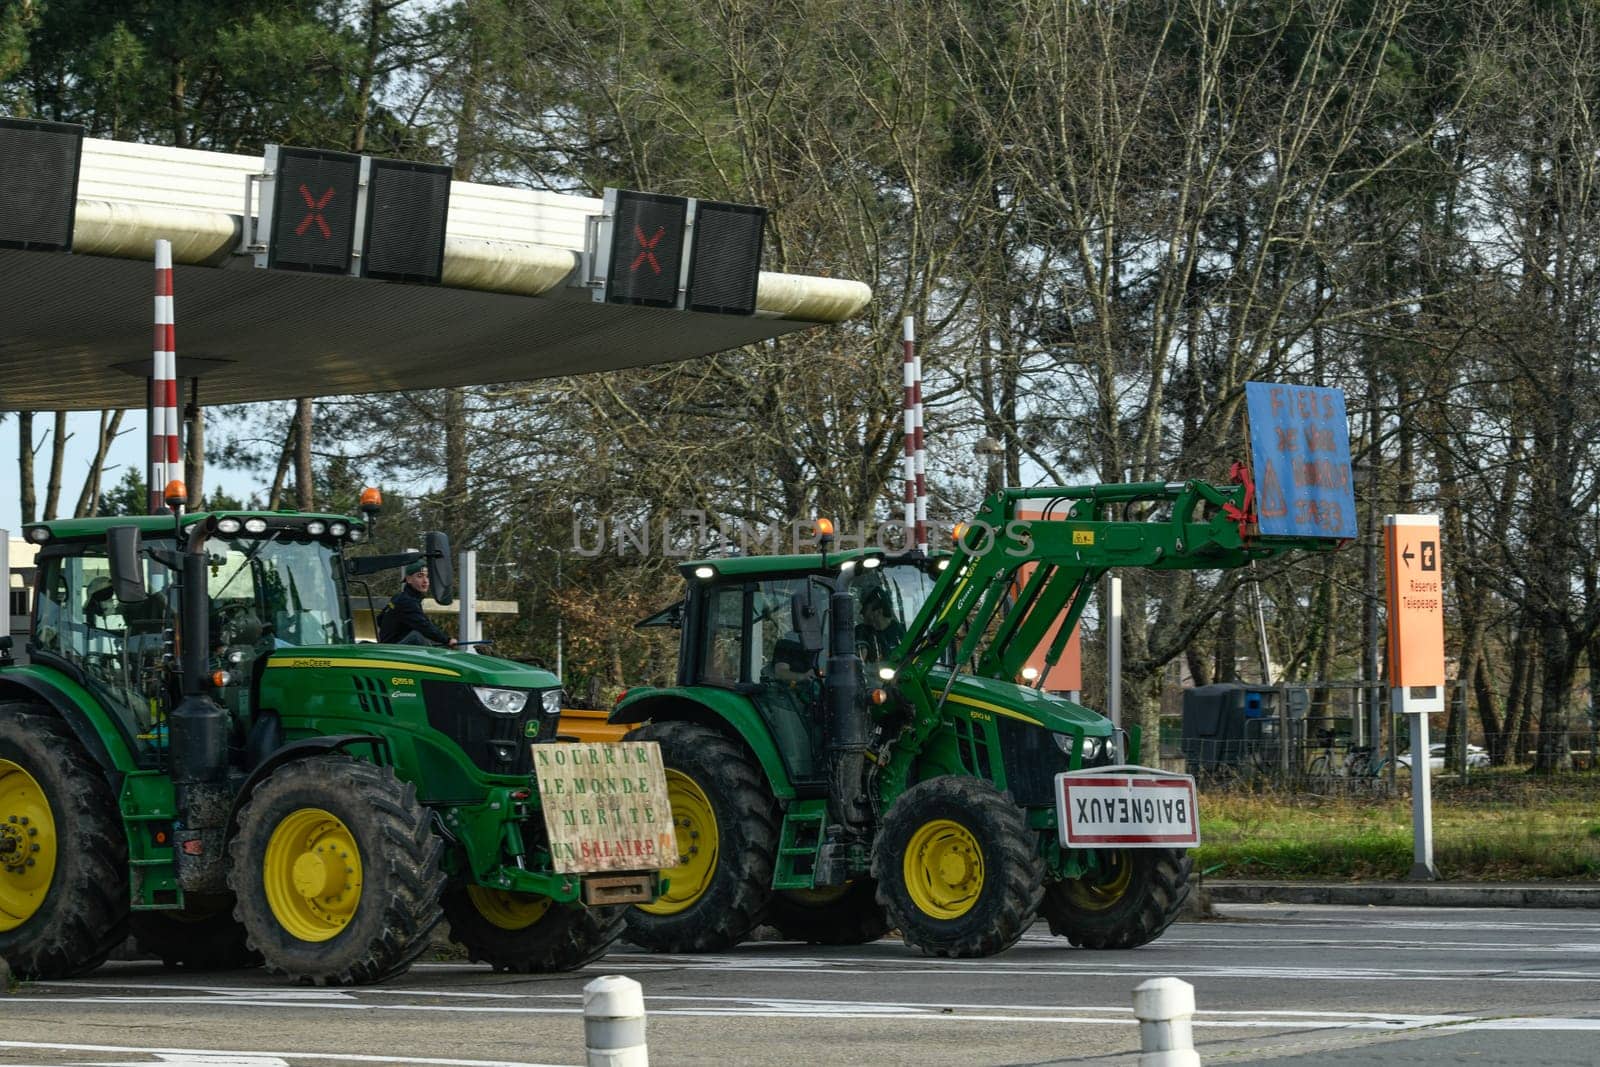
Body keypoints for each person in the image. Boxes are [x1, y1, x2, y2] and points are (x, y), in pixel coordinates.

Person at [377, 560, 457, 647]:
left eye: (427, 576)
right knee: (417, 636)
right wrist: (447, 640)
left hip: (388, 647)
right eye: (420, 576)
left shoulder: (399, 597)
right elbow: (424, 626)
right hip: (394, 651)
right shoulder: (407, 602)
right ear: (409, 579)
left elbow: (380, 619)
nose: (425, 581)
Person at [855, 584, 906, 665]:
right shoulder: (861, 630)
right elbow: (861, 657)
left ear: (879, 611)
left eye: (865, 609)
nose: (862, 614)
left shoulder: (899, 631)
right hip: (870, 676)